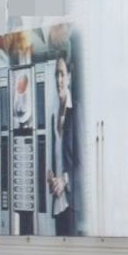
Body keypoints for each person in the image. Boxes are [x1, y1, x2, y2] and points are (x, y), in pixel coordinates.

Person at [48, 50, 80, 235]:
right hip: (58, 205)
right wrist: (51, 176)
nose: (58, 80)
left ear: (69, 76)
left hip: (71, 205)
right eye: (56, 74)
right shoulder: (55, 114)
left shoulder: (76, 112)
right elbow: (60, 159)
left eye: (62, 74)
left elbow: (83, 164)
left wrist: (65, 179)